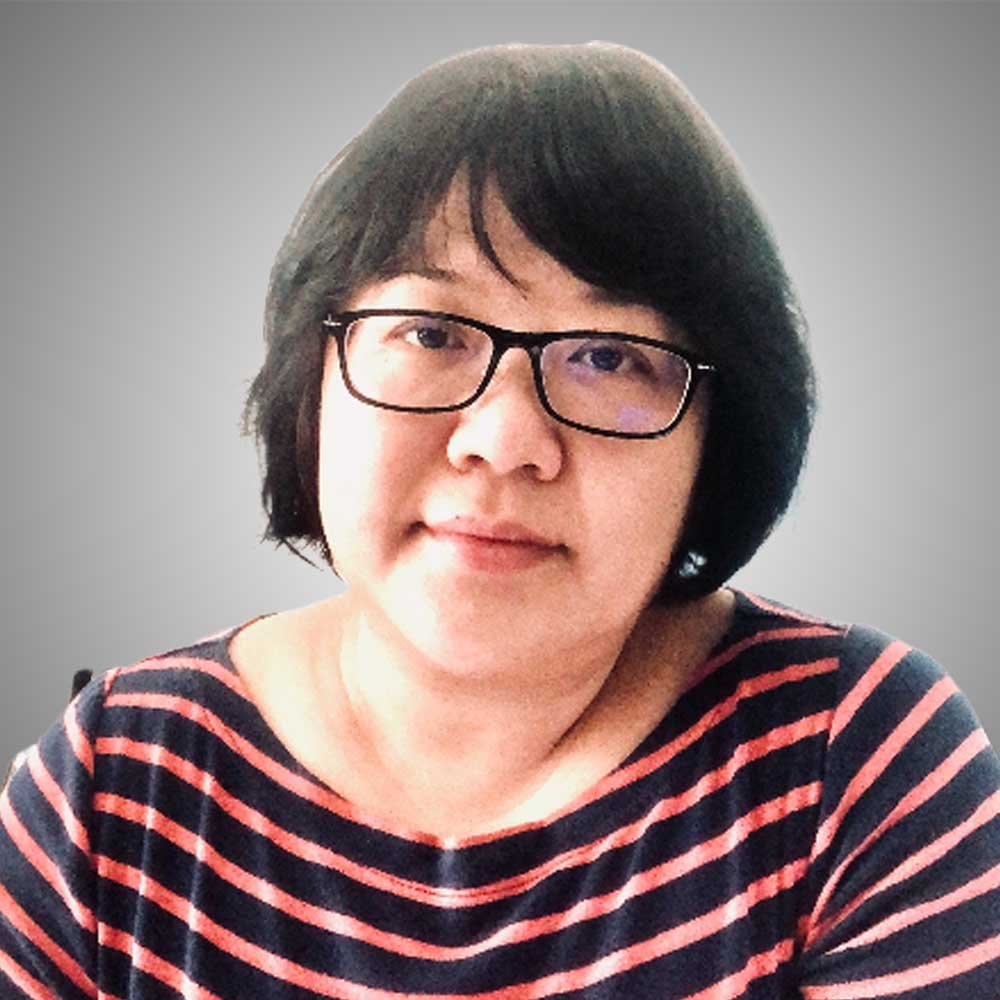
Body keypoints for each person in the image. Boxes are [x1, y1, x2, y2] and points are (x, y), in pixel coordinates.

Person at [2, 41, 998, 999]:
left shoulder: (850, 756)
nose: (504, 439)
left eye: (607, 356)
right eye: (431, 331)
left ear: (716, 434)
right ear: (313, 380)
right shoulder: (116, 778)